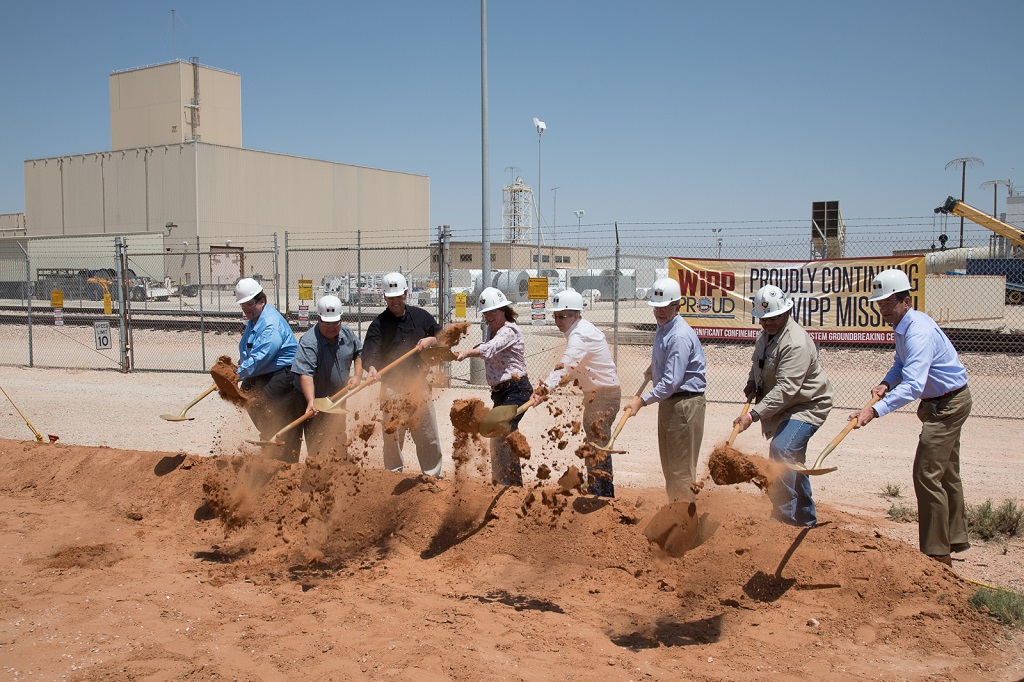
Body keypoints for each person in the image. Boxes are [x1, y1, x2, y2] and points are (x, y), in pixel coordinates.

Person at [849, 269, 971, 566]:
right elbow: (901, 364)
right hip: (939, 403)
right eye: (880, 304)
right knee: (945, 472)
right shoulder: (905, 325)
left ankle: (937, 555)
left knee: (926, 473)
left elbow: (914, 384)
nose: (883, 309)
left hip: (949, 405)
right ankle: (954, 538)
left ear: (906, 301)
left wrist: (873, 410)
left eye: (889, 303)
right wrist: (887, 383)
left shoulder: (917, 330)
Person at [732, 285, 834, 527]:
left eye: (774, 318)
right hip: (785, 406)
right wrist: (751, 383)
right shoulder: (766, 335)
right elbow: (758, 362)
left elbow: (788, 388)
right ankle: (805, 518)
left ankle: (783, 517)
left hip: (807, 405)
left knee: (781, 450)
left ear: (787, 312)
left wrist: (753, 415)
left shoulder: (795, 343)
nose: (769, 323)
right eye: (764, 319)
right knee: (792, 459)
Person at [531, 288, 621, 497]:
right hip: (598, 395)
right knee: (595, 440)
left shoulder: (580, 334)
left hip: (604, 395)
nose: (558, 320)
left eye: (562, 316)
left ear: (576, 315)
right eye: (555, 316)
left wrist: (542, 390)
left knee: (597, 441)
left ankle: (602, 492)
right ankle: (599, 487)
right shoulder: (580, 329)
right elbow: (573, 367)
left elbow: (566, 365)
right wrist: (567, 378)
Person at [626, 277, 707, 502]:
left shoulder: (679, 335)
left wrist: (641, 402)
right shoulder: (664, 328)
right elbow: (669, 364)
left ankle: (686, 520)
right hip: (670, 402)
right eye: (656, 307)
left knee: (681, 470)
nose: (660, 312)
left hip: (683, 404)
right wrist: (655, 367)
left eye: (665, 307)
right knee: (670, 466)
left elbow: (672, 382)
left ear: (677, 306)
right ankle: (675, 511)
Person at [361, 272, 443, 478]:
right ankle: (393, 475)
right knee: (393, 437)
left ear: (407, 294)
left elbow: (444, 339)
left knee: (427, 434)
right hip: (391, 388)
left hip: (418, 385)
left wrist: (431, 341)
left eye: (399, 296)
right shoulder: (378, 324)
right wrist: (371, 368)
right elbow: (370, 353)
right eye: (391, 297)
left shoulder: (422, 317)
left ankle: (432, 475)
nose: (396, 301)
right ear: (384, 297)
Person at [453, 287, 532, 486]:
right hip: (500, 393)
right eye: (486, 313)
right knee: (498, 436)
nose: (488, 316)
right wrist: (464, 351)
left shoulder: (509, 330)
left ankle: (511, 485)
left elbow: (490, 348)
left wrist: (468, 353)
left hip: (517, 389)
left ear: (503, 310)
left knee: (501, 432)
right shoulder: (492, 329)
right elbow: (486, 345)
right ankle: (502, 481)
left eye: (492, 312)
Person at [235, 277, 305, 461]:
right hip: (264, 371)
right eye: (242, 305)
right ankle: (269, 434)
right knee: (246, 393)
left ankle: (283, 452)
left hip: (284, 372)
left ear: (262, 301)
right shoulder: (254, 321)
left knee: (267, 399)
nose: (245, 309)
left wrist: (236, 374)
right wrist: (238, 368)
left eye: (249, 304)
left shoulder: (270, 323)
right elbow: (250, 350)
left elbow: (262, 355)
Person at [291, 295, 363, 458]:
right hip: (316, 401)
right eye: (326, 323)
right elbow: (305, 374)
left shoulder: (347, 333)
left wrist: (357, 375)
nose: (331, 327)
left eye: (335, 322)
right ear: (318, 319)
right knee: (319, 441)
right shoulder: (309, 342)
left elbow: (359, 352)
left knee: (338, 436)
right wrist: (311, 401)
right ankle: (317, 475)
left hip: (337, 398)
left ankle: (339, 472)